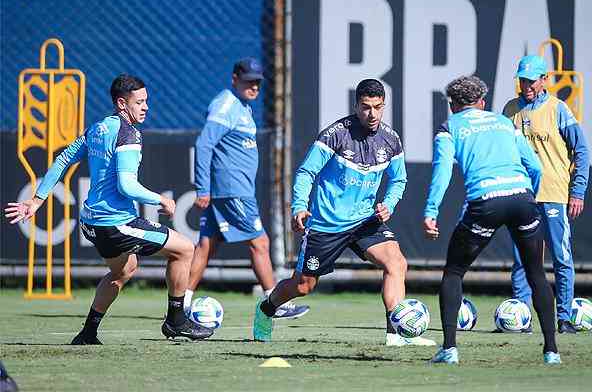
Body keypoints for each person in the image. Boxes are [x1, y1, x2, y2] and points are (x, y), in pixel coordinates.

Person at [4, 74, 212, 344]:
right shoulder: (129, 133)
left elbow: (63, 158)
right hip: (115, 223)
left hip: (91, 223)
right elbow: (127, 185)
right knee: (185, 249)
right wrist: (161, 200)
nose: (146, 107)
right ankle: (176, 320)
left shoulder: (99, 128)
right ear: (122, 104)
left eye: (146, 101)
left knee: (123, 270)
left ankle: (88, 333)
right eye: (140, 102)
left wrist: (37, 199)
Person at [252, 79, 435, 347]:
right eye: (365, 107)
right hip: (327, 224)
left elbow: (399, 180)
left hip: (365, 221)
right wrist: (300, 206)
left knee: (396, 263)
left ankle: (395, 335)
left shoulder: (391, 139)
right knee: (303, 286)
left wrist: (390, 203)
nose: (371, 114)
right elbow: (306, 172)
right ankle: (266, 309)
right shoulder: (335, 135)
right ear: (356, 105)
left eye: (378, 107)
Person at [423, 75, 560, 364]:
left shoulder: (449, 128)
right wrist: (528, 197)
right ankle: (551, 352)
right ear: (482, 103)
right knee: (536, 274)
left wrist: (431, 211)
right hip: (522, 199)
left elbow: (442, 173)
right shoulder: (504, 123)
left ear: (453, 106)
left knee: (454, 272)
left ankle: (449, 350)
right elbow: (535, 166)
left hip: (486, 202)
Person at [187, 57, 309, 320]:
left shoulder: (242, 106)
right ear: (234, 79)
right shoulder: (226, 105)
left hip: (232, 189)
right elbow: (204, 144)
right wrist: (202, 188)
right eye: (248, 82)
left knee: (206, 245)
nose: (254, 87)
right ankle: (274, 302)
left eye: (257, 83)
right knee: (260, 243)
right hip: (233, 190)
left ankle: (181, 303)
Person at [503, 55, 590, 334]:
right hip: (522, 196)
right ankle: (521, 317)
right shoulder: (510, 109)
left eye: (532, 80)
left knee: (561, 257)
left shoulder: (559, 109)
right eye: (523, 79)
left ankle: (564, 318)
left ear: (544, 80)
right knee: (522, 258)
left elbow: (582, 151)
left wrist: (577, 192)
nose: (527, 85)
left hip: (553, 193)